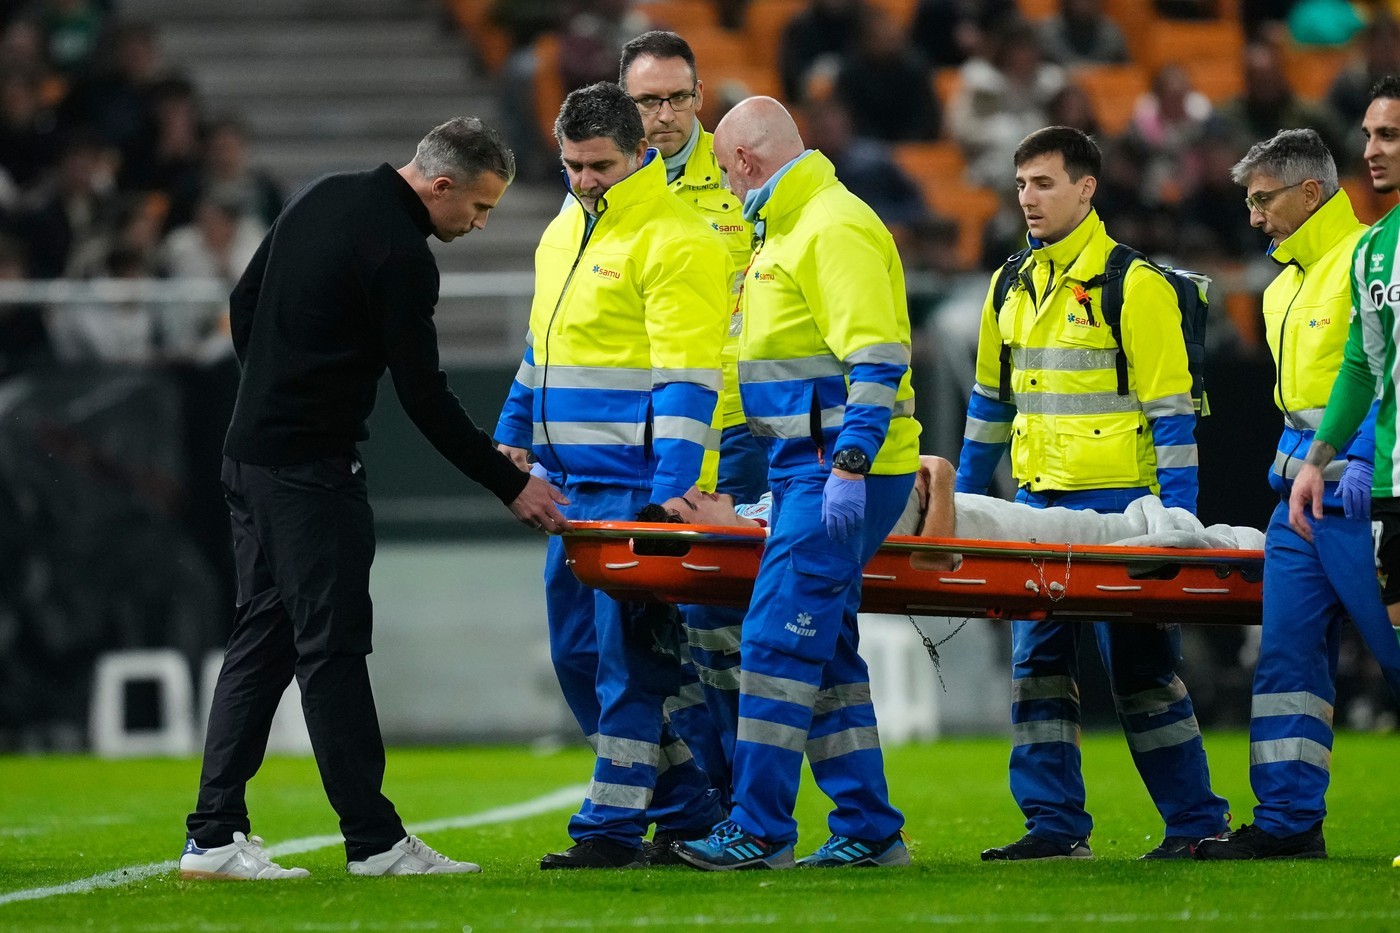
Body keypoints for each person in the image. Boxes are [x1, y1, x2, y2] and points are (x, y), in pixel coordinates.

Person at [178, 117, 570, 881]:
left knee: (264, 641)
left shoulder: (323, 194)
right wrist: (511, 482)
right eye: (480, 208)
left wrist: (272, 387)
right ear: (442, 184)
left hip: (248, 455)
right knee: (332, 651)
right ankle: (373, 840)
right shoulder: (400, 255)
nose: (480, 222)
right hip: (308, 474)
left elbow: (242, 298)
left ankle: (215, 833)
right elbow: (424, 398)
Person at [956, 125, 1229, 862]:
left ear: (1087, 188)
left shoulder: (1135, 284)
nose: (1027, 199)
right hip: (1038, 506)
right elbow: (987, 408)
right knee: (1037, 668)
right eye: (1020, 185)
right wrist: (958, 507)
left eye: (1043, 183)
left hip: (1122, 509)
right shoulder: (1009, 282)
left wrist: (1178, 522)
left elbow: (1173, 417)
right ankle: (1053, 827)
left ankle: (1197, 821)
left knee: (1141, 670)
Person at [676, 96, 921, 871]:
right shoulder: (794, 226)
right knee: (830, 650)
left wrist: (850, 462)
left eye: (722, 167)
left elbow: (877, 358)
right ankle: (870, 825)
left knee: (776, 640)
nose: (722, 181)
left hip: (835, 470)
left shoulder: (830, 226)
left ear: (746, 161)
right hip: (806, 469)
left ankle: (758, 827)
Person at [493, 81, 731, 870]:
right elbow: (541, 347)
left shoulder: (680, 240)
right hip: (568, 486)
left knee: (630, 663)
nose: (585, 180)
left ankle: (609, 829)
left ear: (640, 153)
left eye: (599, 166)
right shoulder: (565, 228)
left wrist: (670, 492)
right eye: (572, 165)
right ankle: (689, 804)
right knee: (578, 659)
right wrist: (511, 429)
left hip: (632, 486)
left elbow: (689, 380)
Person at [1195, 127, 1400, 862]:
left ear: (1311, 193)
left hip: (1367, 493)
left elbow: (1380, 385)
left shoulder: (1372, 264)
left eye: (1263, 200)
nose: (1253, 217)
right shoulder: (1284, 284)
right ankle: (1287, 821)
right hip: (1301, 499)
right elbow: (1299, 411)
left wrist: (1361, 473)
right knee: (1285, 662)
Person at [618, 30, 764, 839]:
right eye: (649, 100)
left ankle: (746, 807)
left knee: (720, 629)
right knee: (649, 629)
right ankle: (695, 807)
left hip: (731, 427)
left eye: (679, 97)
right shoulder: (607, 189)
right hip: (640, 434)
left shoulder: (743, 176)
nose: (666, 114)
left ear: (701, 98)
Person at [1291, 76, 1400, 694]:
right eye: (1368, 136)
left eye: (1389, 135)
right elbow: (1362, 366)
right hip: (1391, 485)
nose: (1371, 150)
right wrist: (1318, 461)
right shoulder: (1373, 253)